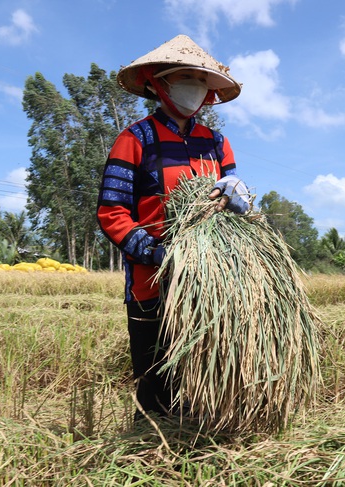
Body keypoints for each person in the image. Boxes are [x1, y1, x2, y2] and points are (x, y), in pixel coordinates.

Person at [97, 35, 251, 419]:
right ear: (158, 83)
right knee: (156, 386)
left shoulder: (216, 144)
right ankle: (149, 453)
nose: (194, 87)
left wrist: (239, 199)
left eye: (201, 80)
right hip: (152, 283)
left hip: (210, 285)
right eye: (184, 77)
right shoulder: (134, 140)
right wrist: (159, 254)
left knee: (203, 381)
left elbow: (233, 208)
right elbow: (112, 212)